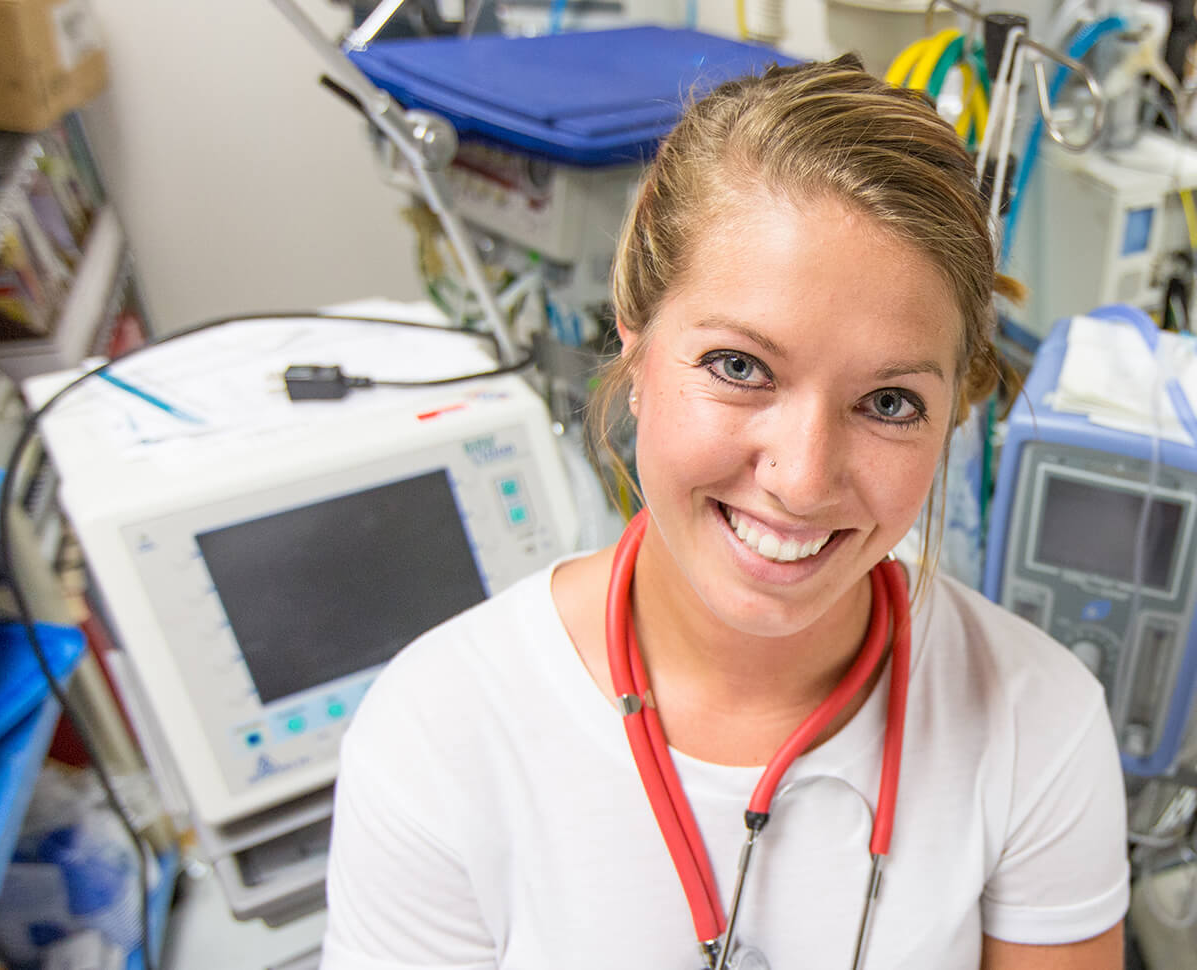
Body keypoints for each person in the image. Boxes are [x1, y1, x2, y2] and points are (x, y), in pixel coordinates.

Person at [320, 56, 1129, 969]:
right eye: (740, 367)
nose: (802, 479)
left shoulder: (1038, 724)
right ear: (634, 334)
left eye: (890, 402)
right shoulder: (439, 739)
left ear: (953, 416)